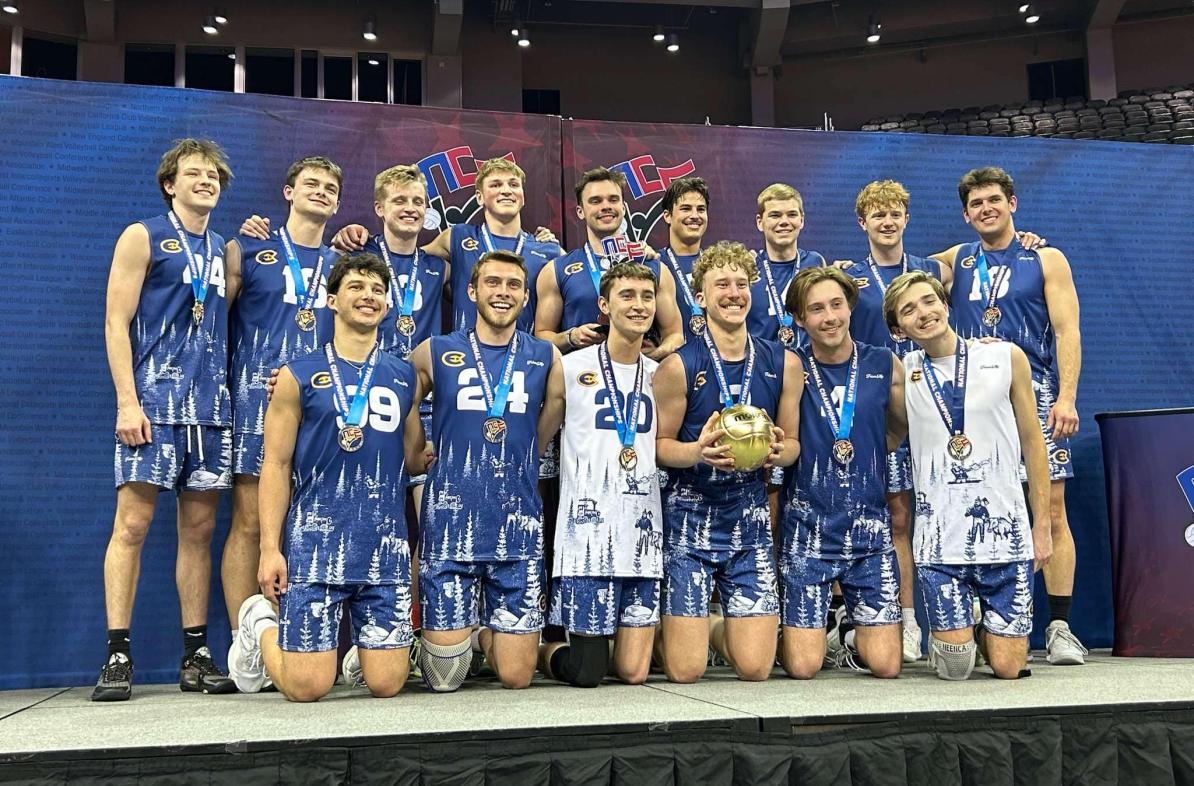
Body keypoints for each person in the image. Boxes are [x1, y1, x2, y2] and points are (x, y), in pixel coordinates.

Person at [227, 253, 427, 701]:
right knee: (307, 688)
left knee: (389, 684)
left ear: (389, 306)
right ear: (332, 300)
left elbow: (414, 458)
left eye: (378, 290)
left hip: (384, 548)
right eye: (357, 287)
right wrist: (269, 550)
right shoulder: (297, 377)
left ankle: (368, 653)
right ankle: (260, 622)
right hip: (315, 546)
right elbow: (275, 466)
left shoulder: (403, 376)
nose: (369, 296)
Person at [96, 139, 236, 701]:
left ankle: (196, 654)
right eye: (194, 173)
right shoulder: (142, 235)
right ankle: (116, 655)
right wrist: (127, 402)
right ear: (169, 183)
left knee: (198, 533)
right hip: (152, 407)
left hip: (209, 413)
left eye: (214, 176)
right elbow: (114, 321)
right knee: (131, 527)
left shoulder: (224, 248)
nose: (206, 181)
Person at [929, 167, 1087, 665]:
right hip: (972, 399)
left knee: (1051, 506)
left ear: (1012, 203)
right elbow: (900, 268)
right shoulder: (957, 259)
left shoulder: (1045, 257)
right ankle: (985, 626)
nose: (986, 209)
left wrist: (1067, 397)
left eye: (994, 200)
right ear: (965, 213)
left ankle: (1059, 626)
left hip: (1035, 393)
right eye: (976, 204)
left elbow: (1067, 331)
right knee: (977, 507)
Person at [408, 250, 565, 691]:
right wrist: (416, 451)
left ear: (526, 296)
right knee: (444, 680)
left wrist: (522, 450)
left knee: (517, 677)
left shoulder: (545, 356)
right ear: (472, 291)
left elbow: (550, 416)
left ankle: (478, 637)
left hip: (516, 525)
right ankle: (425, 644)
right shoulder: (436, 350)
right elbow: (399, 396)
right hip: (451, 526)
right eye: (493, 283)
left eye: (514, 285)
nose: (503, 292)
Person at [883, 271, 1053, 680]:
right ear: (898, 328)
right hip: (940, 544)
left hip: (1005, 534)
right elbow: (889, 437)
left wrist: (1042, 525)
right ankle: (964, 636)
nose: (923, 313)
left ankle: (986, 629)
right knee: (955, 669)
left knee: (1009, 669)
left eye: (929, 301)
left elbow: (1033, 443)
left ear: (945, 304)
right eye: (909, 310)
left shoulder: (1005, 357)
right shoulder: (903, 372)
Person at [653, 241, 800, 683]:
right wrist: (697, 451)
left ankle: (717, 632)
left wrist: (777, 451)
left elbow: (792, 443)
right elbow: (659, 446)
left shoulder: (784, 362)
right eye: (722, 284)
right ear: (700, 297)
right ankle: (679, 634)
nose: (733, 293)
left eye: (741, 283)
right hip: (688, 518)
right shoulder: (679, 366)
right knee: (685, 672)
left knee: (755, 669)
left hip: (750, 518)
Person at [221, 156, 341, 633]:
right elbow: (210, 327)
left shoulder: (344, 264)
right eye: (311, 183)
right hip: (257, 402)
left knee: (316, 519)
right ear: (288, 192)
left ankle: (308, 636)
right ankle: (243, 641)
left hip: (325, 407)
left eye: (330, 187)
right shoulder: (248, 249)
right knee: (251, 523)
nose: (321, 191)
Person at [835, 180, 946, 662]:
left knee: (945, 503)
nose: (886, 221)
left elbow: (975, 251)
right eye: (876, 215)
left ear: (906, 217)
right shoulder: (849, 278)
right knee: (896, 517)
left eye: (895, 213)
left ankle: (960, 618)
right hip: (882, 402)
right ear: (862, 223)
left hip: (938, 395)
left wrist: (1027, 239)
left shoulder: (932, 269)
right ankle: (904, 619)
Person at [540, 262, 664, 688]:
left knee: (632, 673)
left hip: (641, 538)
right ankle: (540, 651)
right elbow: (541, 435)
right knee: (588, 672)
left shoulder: (661, 374)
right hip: (586, 539)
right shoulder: (570, 366)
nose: (639, 305)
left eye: (647, 296)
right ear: (604, 305)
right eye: (627, 296)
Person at [778, 267, 905, 679]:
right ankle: (807, 632)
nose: (829, 317)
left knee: (886, 666)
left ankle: (848, 636)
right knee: (802, 667)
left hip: (869, 532)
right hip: (808, 532)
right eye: (816, 309)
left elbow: (899, 427)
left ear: (850, 306)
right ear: (800, 319)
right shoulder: (789, 367)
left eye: (836, 305)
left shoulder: (885, 363)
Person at [322, 157, 560, 334]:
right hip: (462, 360)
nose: (506, 190)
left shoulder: (547, 250)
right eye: (496, 184)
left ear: (523, 194)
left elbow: (578, 282)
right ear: (479, 197)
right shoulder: (455, 238)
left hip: (523, 364)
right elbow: (408, 257)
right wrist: (346, 237)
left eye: (513, 184)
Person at [535, 167, 684, 361]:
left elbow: (675, 335)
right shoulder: (556, 270)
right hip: (581, 381)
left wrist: (652, 357)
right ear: (580, 211)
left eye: (613, 200)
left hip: (641, 381)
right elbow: (541, 336)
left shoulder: (653, 267)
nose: (606, 206)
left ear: (623, 207)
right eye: (595, 201)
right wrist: (570, 337)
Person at [748, 183, 827, 350]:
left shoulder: (816, 263)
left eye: (791, 214)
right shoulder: (748, 268)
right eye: (775, 215)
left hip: (809, 368)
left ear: (802, 220)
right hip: (760, 368)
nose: (784, 222)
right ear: (760, 222)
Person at [657, 176, 710, 345]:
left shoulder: (719, 263)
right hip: (671, 362)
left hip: (718, 365)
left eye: (701, 209)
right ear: (667, 216)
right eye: (686, 209)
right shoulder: (653, 264)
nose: (695, 216)